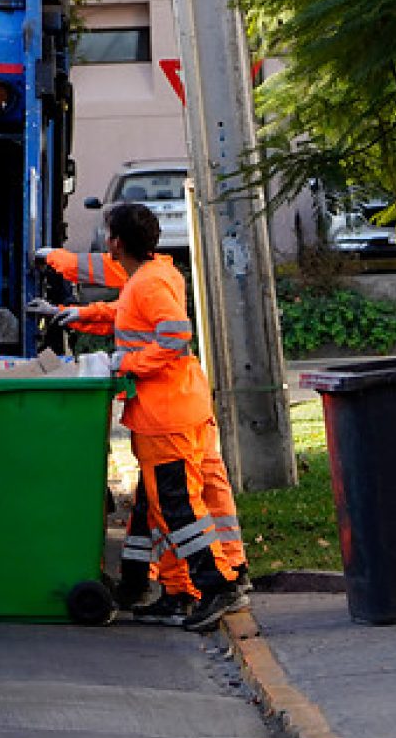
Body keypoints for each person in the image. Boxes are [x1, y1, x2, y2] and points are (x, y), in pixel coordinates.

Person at [38, 206, 249, 632]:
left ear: (116, 242)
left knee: (177, 508)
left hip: (165, 414)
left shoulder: (149, 283)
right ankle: (150, 586)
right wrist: (77, 315)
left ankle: (212, 587)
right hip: (176, 405)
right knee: (153, 506)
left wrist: (126, 361)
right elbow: (127, 314)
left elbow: (175, 336)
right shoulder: (155, 275)